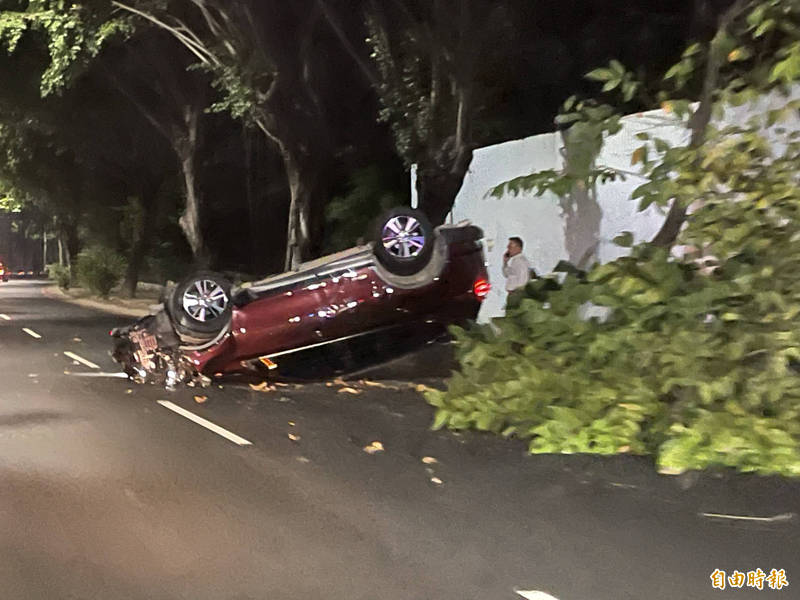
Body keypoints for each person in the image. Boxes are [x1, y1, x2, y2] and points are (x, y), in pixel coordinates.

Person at [502, 236, 531, 302]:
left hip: (517, 295)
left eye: (510, 246)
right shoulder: (515, 261)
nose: (508, 248)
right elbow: (506, 274)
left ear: (518, 248)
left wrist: (517, 295)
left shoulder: (520, 261)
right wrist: (505, 262)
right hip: (513, 294)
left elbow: (523, 281)